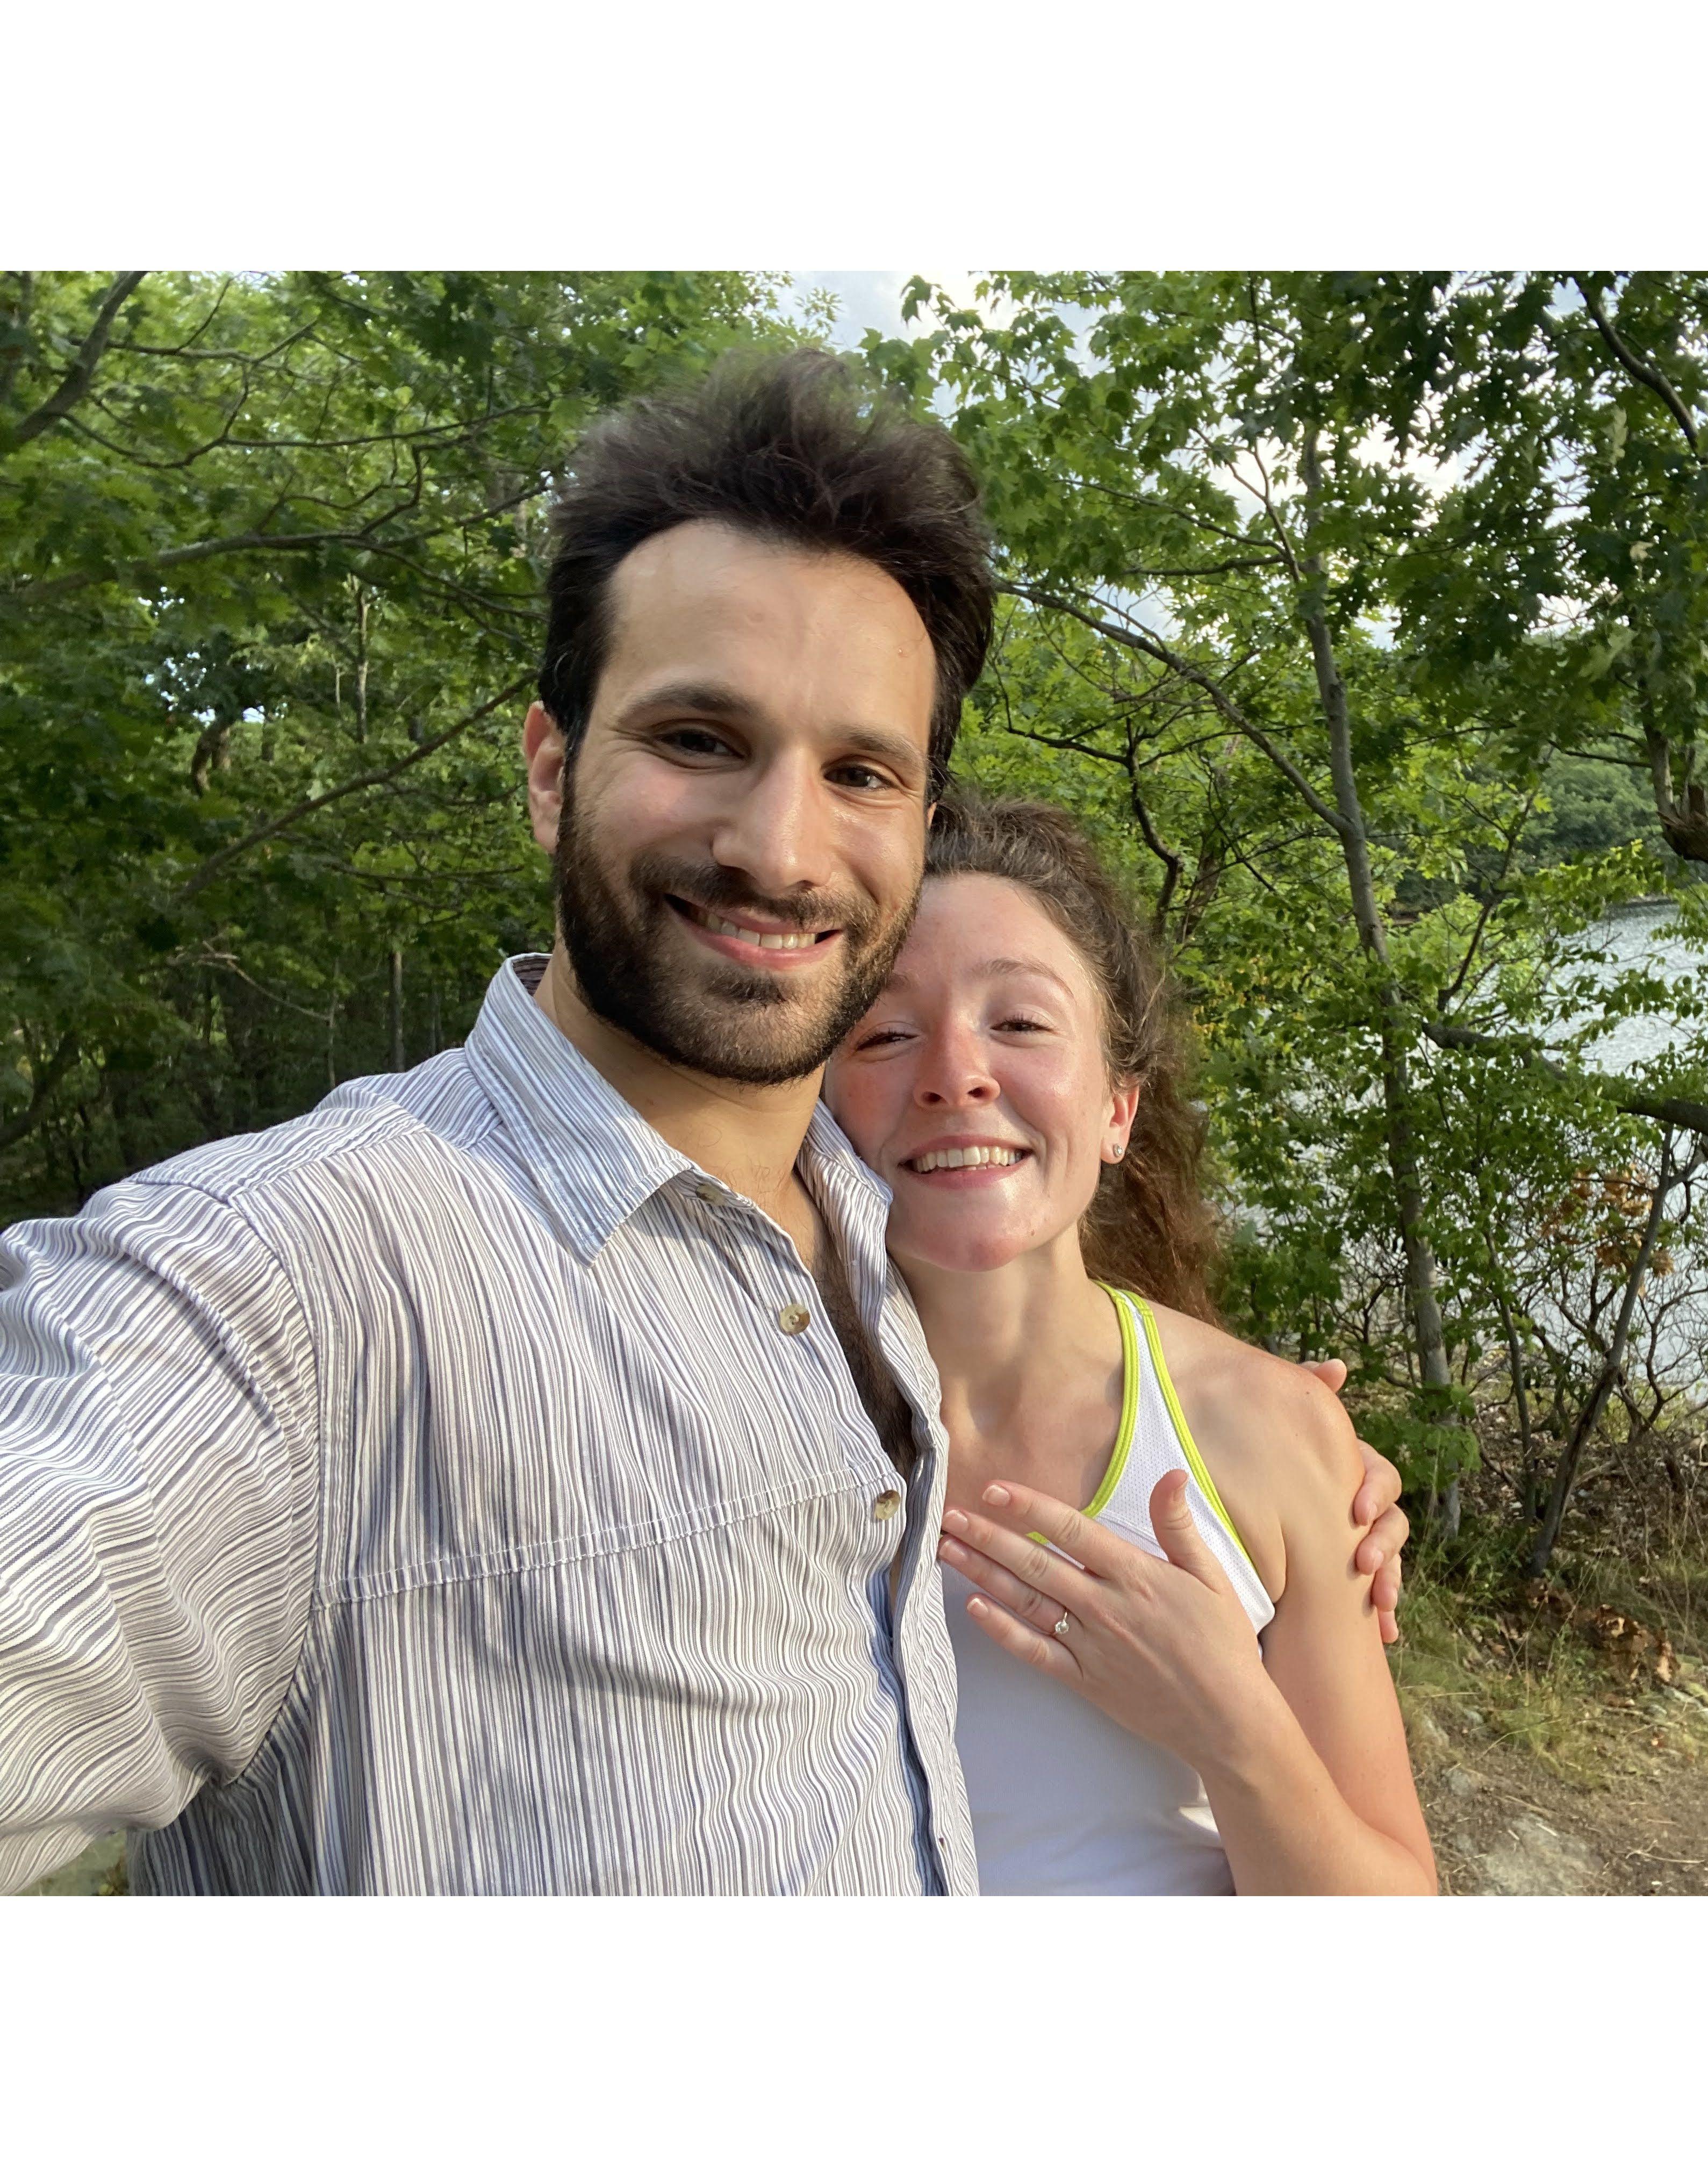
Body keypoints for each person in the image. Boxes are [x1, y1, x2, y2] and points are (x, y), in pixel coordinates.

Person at [0, 349, 1407, 1896]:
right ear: (551, 767)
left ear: (916, 818)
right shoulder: (285, 1290)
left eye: (859, 769)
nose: (779, 845)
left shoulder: (878, 1257)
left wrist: (1304, 1462)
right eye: (697, 740)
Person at [825, 798, 1435, 1894]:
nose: (955, 1073)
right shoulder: (738, 1408)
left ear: (1117, 1106)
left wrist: (1229, 1724)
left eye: (1018, 1023)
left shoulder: (1265, 1431)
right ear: (818, 1097)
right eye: (884, 1031)